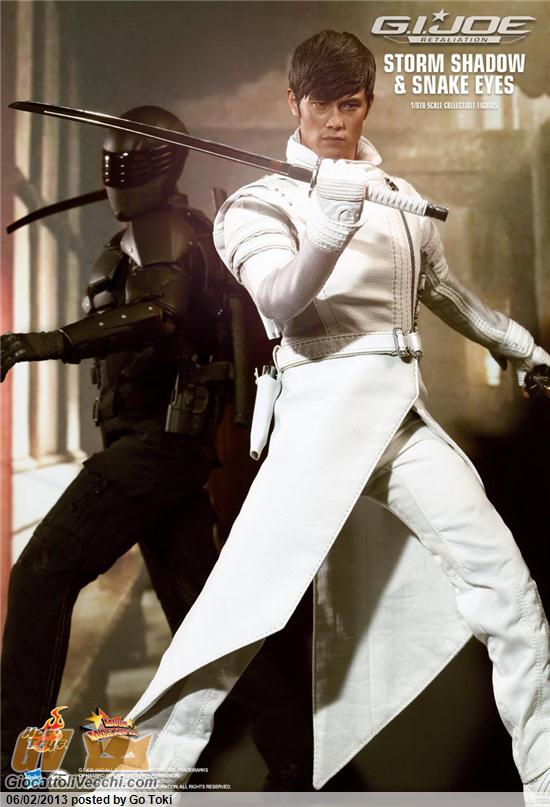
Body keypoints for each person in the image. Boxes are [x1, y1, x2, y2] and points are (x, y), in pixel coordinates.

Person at [99, 34, 550, 802]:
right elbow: (278, 298)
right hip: (316, 425)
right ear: (293, 102)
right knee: (230, 623)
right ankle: (138, 782)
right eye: (320, 105)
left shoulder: (401, 200)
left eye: (350, 104)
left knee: (510, 596)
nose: (335, 121)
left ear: (367, 102)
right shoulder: (259, 203)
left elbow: (443, 291)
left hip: (399, 424)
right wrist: (330, 228)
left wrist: (517, 345)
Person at [0, 106, 313, 791]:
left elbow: (158, 314)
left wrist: (45, 342)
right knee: (202, 615)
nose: (116, 174)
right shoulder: (153, 231)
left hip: (156, 448)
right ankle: (294, 754)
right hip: (158, 447)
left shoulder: (162, 229)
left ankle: (13, 769)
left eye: (129, 162)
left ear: (162, 166)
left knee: (41, 573)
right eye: (110, 162)